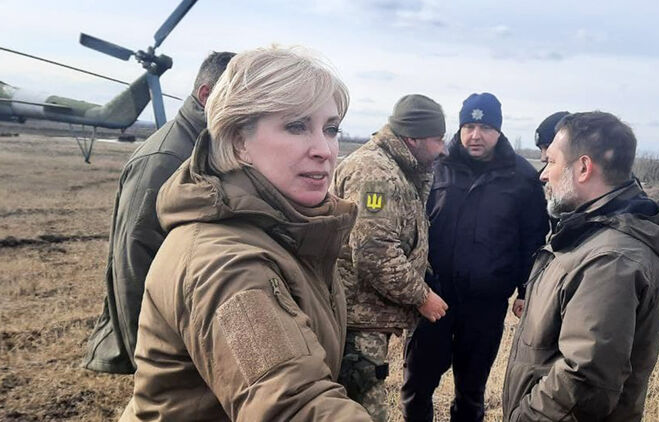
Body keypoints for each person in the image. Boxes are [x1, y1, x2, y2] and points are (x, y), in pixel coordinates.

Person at [118, 47, 371, 421]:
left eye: (331, 129)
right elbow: (293, 406)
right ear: (239, 141)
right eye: (296, 126)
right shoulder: (226, 263)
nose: (325, 150)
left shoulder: (286, 229)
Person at [502, 111, 659, 422]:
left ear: (584, 168)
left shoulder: (610, 260)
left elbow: (583, 382)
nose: (543, 174)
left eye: (552, 162)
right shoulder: (588, 235)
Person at [82, 51, 235, 374]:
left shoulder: (210, 145)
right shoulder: (166, 157)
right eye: (238, 98)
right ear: (206, 95)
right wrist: (149, 362)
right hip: (165, 341)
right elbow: (133, 261)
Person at [401, 92, 549, 421]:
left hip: (486, 304)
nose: (475, 135)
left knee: (470, 392)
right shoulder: (434, 166)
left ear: (499, 130)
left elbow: (532, 239)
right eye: (469, 126)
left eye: (485, 127)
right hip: (433, 298)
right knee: (417, 385)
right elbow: (410, 226)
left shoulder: (522, 177)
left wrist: (525, 290)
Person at [332, 94, 449, 421]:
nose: (443, 148)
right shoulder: (376, 175)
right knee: (362, 411)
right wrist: (421, 296)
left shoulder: (399, 168)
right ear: (413, 138)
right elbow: (373, 251)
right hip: (358, 321)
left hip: (368, 317)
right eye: (437, 139)